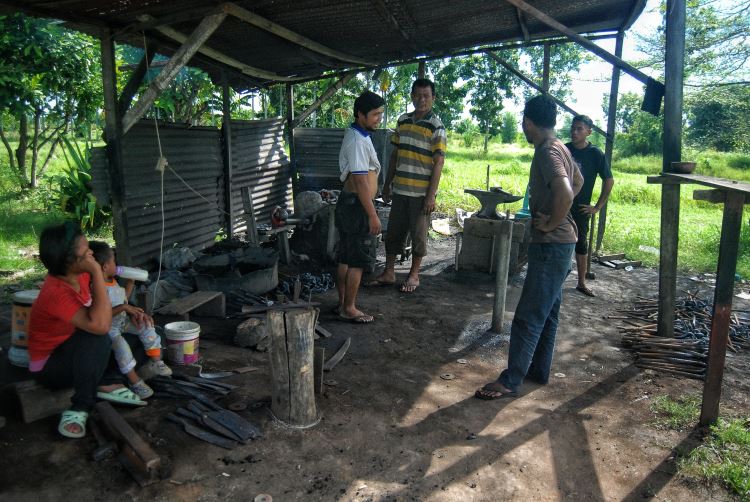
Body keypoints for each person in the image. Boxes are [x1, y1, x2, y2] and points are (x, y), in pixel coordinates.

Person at [476, 95, 583, 400]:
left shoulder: (547, 152)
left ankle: (511, 380)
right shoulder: (561, 146)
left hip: (552, 244)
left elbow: (565, 191)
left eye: (524, 124)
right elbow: (579, 181)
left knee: (528, 315)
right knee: (547, 312)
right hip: (563, 244)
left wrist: (551, 222)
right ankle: (538, 370)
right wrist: (558, 212)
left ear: (528, 122)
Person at [28, 222, 146, 439]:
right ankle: (81, 406)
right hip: (51, 366)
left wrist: (127, 306)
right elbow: (100, 325)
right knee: (99, 337)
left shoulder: (80, 275)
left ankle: (105, 382)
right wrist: (95, 270)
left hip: (78, 350)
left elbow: (103, 309)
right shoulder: (55, 292)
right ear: (70, 261)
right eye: (86, 251)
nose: (91, 252)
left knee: (137, 344)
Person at [369, 78, 447, 293]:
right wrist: (386, 183)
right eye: (417, 95)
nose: (421, 100)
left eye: (426, 96)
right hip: (400, 189)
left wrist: (431, 196)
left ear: (433, 98)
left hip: (421, 193)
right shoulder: (403, 121)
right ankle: (389, 271)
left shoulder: (436, 126)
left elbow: (439, 162)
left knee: (419, 235)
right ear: (412, 96)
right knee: (394, 232)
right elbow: (395, 154)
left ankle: (414, 275)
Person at [89, 241, 172, 399]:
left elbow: (124, 299)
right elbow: (102, 315)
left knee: (147, 325)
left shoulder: (112, 281)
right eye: (113, 261)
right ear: (105, 267)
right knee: (122, 348)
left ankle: (156, 361)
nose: (116, 264)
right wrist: (124, 309)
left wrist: (131, 281)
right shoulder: (96, 287)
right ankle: (136, 382)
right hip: (109, 328)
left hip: (122, 323)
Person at [334, 90, 385, 323]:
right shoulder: (356, 140)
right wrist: (372, 214)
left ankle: (343, 303)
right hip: (357, 206)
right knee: (357, 259)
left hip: (353, 204)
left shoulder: (360, 135)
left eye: (381, 114)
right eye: (375, 114)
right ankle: (349, 308)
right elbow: (361, 180)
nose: (379, 119)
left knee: (346, 256)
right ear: (360, 114)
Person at [566, 115, 614, 297]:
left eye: (579, 129)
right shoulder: (564, 149)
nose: (575, 132)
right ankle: (555, 278)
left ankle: (581, 282)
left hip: (581, 207)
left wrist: (597, 207)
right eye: (573, 128)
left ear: (589, 132)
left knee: (581, 242)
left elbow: (609, 180)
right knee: (555, 238)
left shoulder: (595, 154)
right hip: (561, 203)